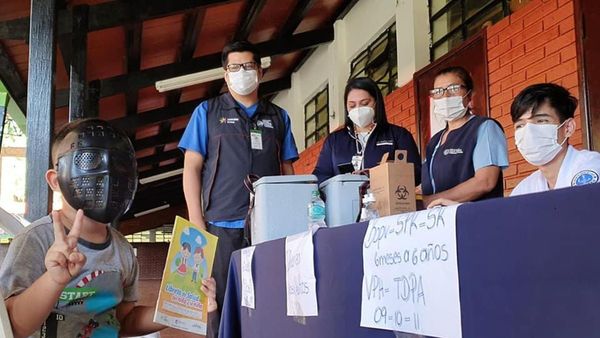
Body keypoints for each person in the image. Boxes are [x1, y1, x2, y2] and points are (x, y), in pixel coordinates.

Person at [178, 40, 299, 337]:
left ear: (260, 70)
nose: (242, 72)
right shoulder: (207, 112)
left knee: (269, 301)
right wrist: (197, 222)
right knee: (218, 303)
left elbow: (288, 170)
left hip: (268, 229)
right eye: (234, 67)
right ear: (225, 74)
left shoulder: (278, 117)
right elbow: (191, 169)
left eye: (247, 66)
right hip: (219, 227)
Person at [0, 119, 162, 337]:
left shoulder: (122, 249)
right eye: (89, 161)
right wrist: (54, 279)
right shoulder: (36, 240)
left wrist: (172, 311)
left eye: (121, 165)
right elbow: (13, 327)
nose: (107, 174)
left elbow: (123, 321)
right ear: (56, 180)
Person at [422, 66, 509, 208]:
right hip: (438, 222)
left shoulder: (484, 127)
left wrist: (430, 200)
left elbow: (485, 181)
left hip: (474, 219)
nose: (445, 96)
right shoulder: (434, 141)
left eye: (453, 89)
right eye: (438, 91)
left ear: (468, 95)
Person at [313, 77, 421, 184]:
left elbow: (417, 173)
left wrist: (380, 174)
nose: (358, 109)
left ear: (376, 102)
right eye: (352, 105)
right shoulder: (334, 141)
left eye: (364, 103)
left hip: (385, 199)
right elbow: (320, 176)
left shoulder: (398, 135)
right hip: (346, 199)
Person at [510, 83, 600, 196]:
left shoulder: (591, 167)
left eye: (541, 121)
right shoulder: (524, 190)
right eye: (520, 125)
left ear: (568, 128)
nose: (529, 132)